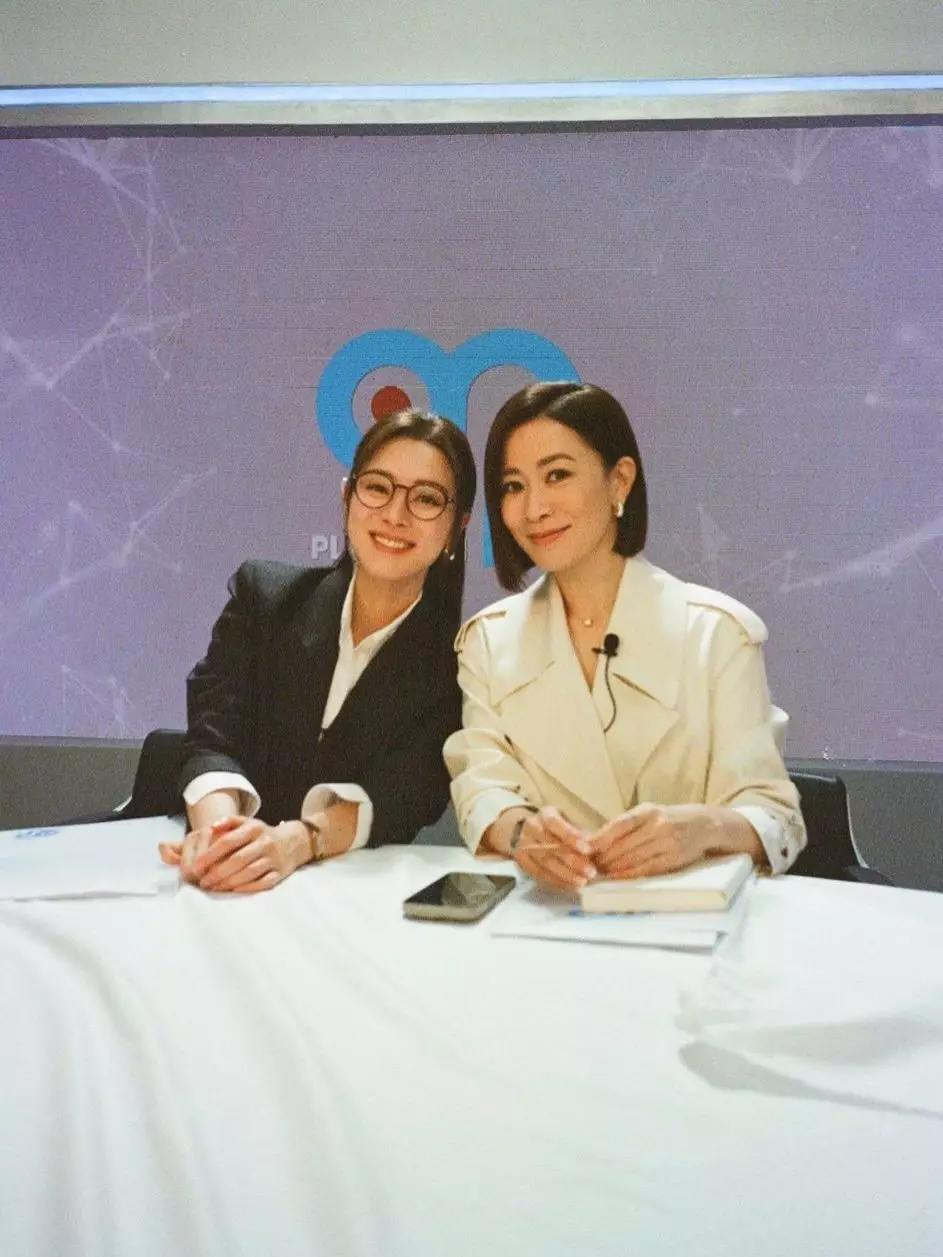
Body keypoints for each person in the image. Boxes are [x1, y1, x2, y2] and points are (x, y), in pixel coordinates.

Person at [443, 382, 805, 893]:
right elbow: (481, 789)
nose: (534, 508)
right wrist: (522, 832)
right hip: (548, 913)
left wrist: (701, 829)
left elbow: (776, 817)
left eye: (557, 475)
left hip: (687, 917)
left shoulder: (716, 634)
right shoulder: (487, 642)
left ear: (620, 481)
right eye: (513, 486)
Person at [161, 409, 476, 894]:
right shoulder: (264, 598)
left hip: (340, 895)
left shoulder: (460, 666)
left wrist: (294, 843)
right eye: (377, 488)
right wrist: (220, 837)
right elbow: (213, 739)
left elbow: (398, 798)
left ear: (457, 526)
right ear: (347, 497)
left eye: (427, 499)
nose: (395, 515)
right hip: (199, 869)